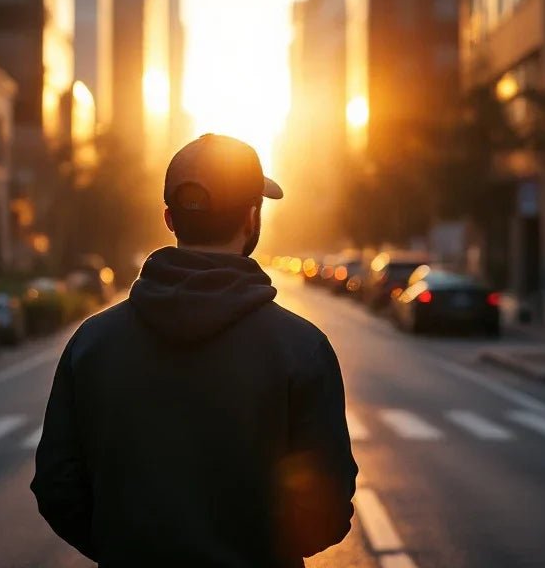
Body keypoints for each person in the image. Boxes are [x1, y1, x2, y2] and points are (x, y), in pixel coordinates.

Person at [31, 134, 357, 567]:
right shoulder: (301, 348)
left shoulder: (92, 344)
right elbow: (328, 506)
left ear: (169, 218)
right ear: (252, 216)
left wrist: (122, 547)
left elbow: (58, 486)